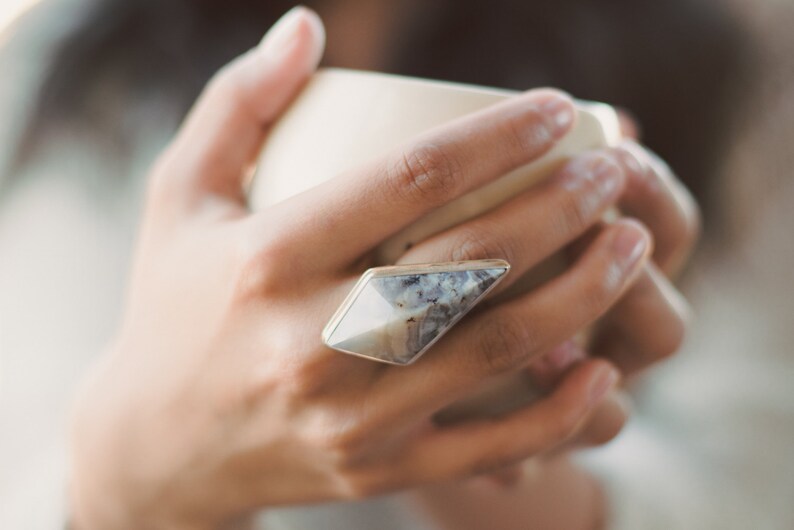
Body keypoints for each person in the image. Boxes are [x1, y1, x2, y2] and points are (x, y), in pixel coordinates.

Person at [1, 1, 792, 529]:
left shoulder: (743, 71)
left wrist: (505, 453)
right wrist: (128, 483)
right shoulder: (76, 59)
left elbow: (757, 484)